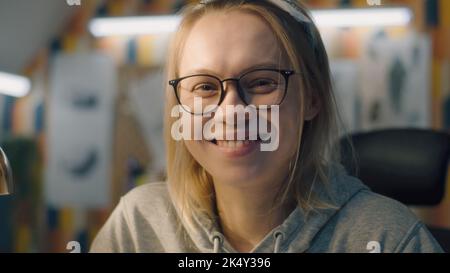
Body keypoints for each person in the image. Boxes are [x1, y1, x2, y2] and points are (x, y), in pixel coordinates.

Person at [90, 0, 443, 253]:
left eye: (261, 82)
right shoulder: (138, 227)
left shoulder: (390, 238)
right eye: (205, 87)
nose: (231, 110)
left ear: (313, 98)